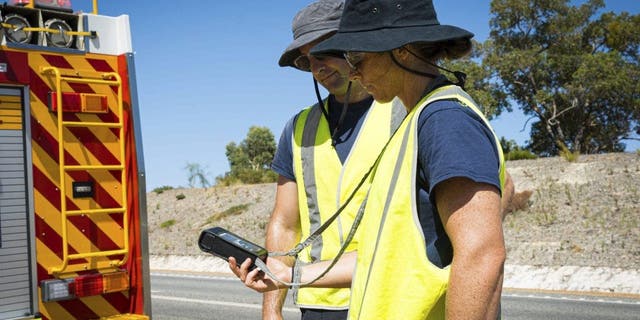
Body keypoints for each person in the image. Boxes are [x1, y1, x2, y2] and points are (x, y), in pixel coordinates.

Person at [230, 0, 508, 319]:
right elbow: (382, 254)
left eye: (357, 56)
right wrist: (286, 276)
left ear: (400, 51)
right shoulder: (414, 122)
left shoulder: (444, 120)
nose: (355, 71)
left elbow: (481, 255)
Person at [262, 1, 405, 319]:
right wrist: (272, 311)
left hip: (390, 299)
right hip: (319, 303)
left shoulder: (407, 110)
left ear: (357, 45)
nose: (317, 69)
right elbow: (285, 225)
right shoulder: (298, 129)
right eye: (308, 61)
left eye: (325, 53)